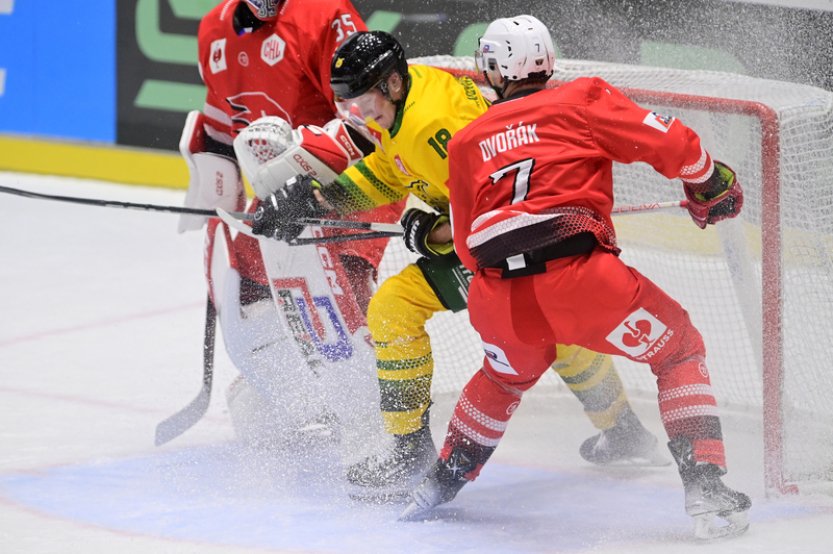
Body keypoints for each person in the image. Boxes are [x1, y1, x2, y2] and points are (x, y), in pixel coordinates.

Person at [243, 29, 667, 497]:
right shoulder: (409, 101)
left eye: (363, 99)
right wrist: (316, 201)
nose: (359, 112)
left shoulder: (431, 126)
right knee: (554, 330)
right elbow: (389, 172)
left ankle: (409, 451)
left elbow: (492, 210)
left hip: (506, 245)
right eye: (352, 102)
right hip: (522, 238)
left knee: (394, 307)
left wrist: (433, 235)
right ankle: (624, 429)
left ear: (392, 84)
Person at [400, 15, 751, 539]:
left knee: (501, 378)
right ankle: (706, 486)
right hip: (584, 283)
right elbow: (675, 143)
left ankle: (438, 483)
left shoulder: (468, 140)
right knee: (678, 350)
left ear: (493, 68)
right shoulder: (581, 98)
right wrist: (708, 182)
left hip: (499, 302)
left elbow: (470, 247)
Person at [177, 0, 402, 442]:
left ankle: (376, 405)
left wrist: (311, 180)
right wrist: (215, 190)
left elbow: (369, 118)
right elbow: (221, 132)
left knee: (339, 281)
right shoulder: (214, 31)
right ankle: (291, 391)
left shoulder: (323, 14)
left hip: (357, 177)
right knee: (247, 284)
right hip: (278, 194)